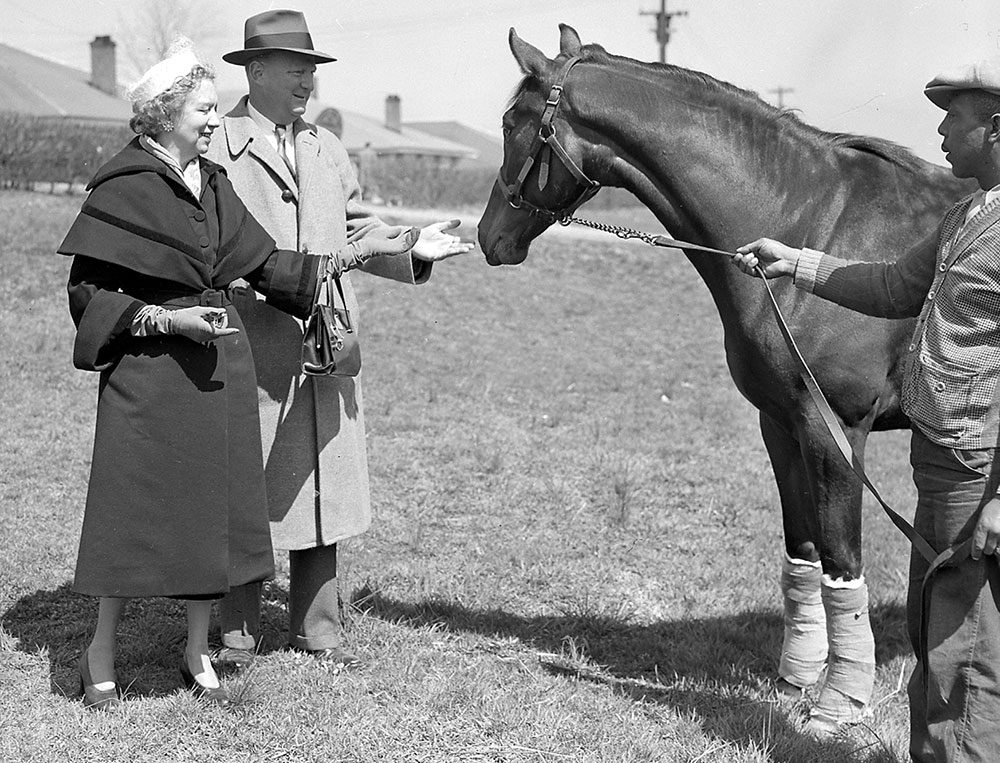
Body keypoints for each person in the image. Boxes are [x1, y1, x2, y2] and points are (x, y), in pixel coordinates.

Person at [60, 39, 420, 710]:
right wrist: (164, 322)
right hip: (148, 371)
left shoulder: (213, 183)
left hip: (218, 365)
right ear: (165, 114)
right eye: (201, 108)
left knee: (213, 508)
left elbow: (271, 267)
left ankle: (200, 650)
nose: (210, 118)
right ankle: (99, 651)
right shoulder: (124, 184)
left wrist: (353, 254)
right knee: (126, 511)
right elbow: (88, 294)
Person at [732, 57, 1000, 763]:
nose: (940, 130)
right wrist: (795, 262)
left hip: (981, 475)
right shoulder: (968, 217)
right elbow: (889, 286)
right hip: (940, 461)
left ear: (997, 129)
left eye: (956, 117)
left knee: (965, 654)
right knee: (932, 632)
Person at [206, 10, 472, 668]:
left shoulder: (325, 146)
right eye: (296, 70)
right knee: (247, 486)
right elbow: (208, 247)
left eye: (312, 71)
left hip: (326, 344)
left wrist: (414, 248)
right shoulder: (217, 148)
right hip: (253, 344)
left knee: (321, 483)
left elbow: (356, 230)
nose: (307, 83)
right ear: (255, 71)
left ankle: (318, 627)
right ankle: (235, 634)